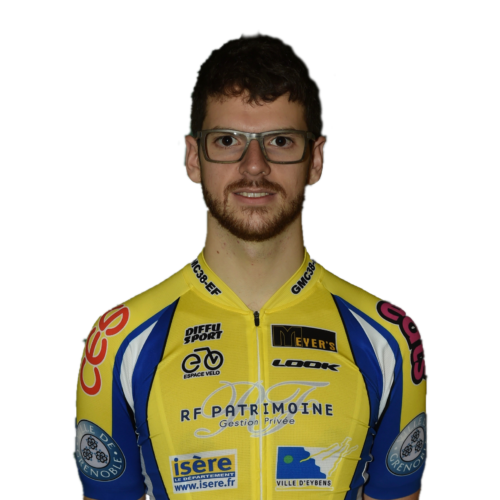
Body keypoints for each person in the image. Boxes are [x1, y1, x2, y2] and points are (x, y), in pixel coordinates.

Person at [75, 32, 427, 500]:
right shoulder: (117, 340)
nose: (254, 165)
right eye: (227, 140)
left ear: (316, 160)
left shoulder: (390, 339)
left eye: (280, 140)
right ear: (193, 158)